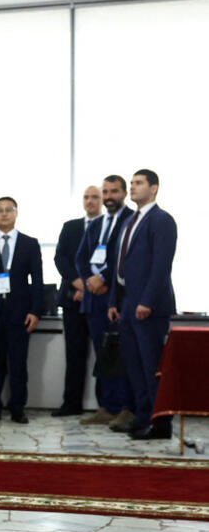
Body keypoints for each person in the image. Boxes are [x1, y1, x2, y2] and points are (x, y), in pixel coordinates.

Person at [107, 169, 176, 440]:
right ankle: (141, 416)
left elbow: (161, 266)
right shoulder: (130, 221)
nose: (133, 187)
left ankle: (161, 424)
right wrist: (114, 300)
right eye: (132, 183)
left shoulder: (162, 220)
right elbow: (119, 265)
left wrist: (146, 301)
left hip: (150, 307)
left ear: (154, 188)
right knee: (134, 366)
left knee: (151, 367)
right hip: (127, 304)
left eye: (138, 183)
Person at [0, 197, 43, 424]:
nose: (3, 214)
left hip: (20, 314)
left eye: (8, 210)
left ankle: (17, 408)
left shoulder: (29, 244)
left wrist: (36, 311)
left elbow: (38, 282)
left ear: (16, 213)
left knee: (18, 364)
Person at [76, 175, 134, 428]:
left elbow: (127, 258)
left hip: (116, 298)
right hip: (93, 300)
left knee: (120, 355)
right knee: (102, 356)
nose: (109, 196)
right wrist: (89, 278)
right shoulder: (96, 223)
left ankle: (125, 407)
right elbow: (80, 257)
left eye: (114, 191)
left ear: (123, 193)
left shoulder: (132, 220)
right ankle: (105, 407)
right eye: (106, 191)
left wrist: (103, 278)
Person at [52, 186, 102, 417]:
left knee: (105, 355)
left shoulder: (109, 227)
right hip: (73, 299)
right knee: (74, 355)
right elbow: (60, 258)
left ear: (102, 201)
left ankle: (106, 406)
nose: (90, 201)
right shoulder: (70, 227)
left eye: (95, 197)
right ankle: (71, 404)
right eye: (86, 197)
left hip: (101, 299)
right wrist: (78, 282)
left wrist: (91, 286)